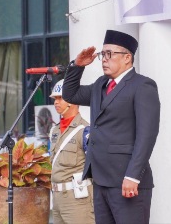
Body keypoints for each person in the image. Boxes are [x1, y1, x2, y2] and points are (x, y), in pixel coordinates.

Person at [62, 29, 161, 224]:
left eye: (110, 54)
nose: (104, 59)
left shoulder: (142, 86)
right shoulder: (101, 84)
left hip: (126, 179)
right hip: (101, 178)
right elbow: (70, 95)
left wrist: (133, 175)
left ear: (127, 58)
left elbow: (146, 135)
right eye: (102, 54)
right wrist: (77, 66)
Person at [49, 79, 94, 224]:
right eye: (55, 98)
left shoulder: (85, 130)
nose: (56, 102)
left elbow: (97, 167)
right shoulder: (55, 131)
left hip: (78, 199)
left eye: (60, 98)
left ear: (73, 99)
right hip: (57, 198)